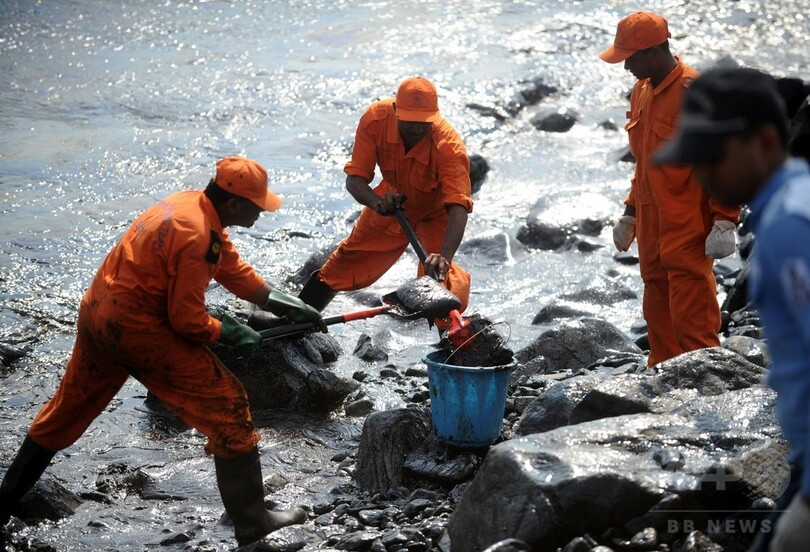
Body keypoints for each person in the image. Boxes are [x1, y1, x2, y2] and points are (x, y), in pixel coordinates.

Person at [0, 157, 326, 548]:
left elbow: (229, 265)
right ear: (235, 204)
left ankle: (2, 504)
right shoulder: (198, 237)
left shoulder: (188, 204)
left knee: (66, 412)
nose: (262, 211)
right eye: (258, 205)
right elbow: (187, 321)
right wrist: (231, 332)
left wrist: (277, 300)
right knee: (228, 407)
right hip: (140, 332)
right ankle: (253, 521)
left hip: (99, 315)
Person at [653, 66, 809, 552]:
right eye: (693, 160)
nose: (701, 175)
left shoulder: (790, 228)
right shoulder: (792, 200)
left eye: (712, 157)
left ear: (765, 140)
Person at [599, 11, 741, 367]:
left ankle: (707, 382)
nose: (625, 65)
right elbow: (644, 163)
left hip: (687, 223)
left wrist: (725, 219)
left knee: (692, 314)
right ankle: (662, 375)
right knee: (657, 304)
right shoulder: (641, 91)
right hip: (651, 223)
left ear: (652, 52)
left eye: (629, 57)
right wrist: (630, 213)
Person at [296, 77, 473, 331]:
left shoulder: (449, 148)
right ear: (395, 111)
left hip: (436, 213)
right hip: (392, 203)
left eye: (423, 123)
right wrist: (377, 203)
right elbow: (355, 180)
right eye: (409, 121)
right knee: (346, 261)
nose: (416, 129)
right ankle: (297, 322)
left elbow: (458, 206)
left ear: (434, 117)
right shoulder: (375, 120)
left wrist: (444, 256)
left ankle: (451, 344)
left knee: (439, 283)